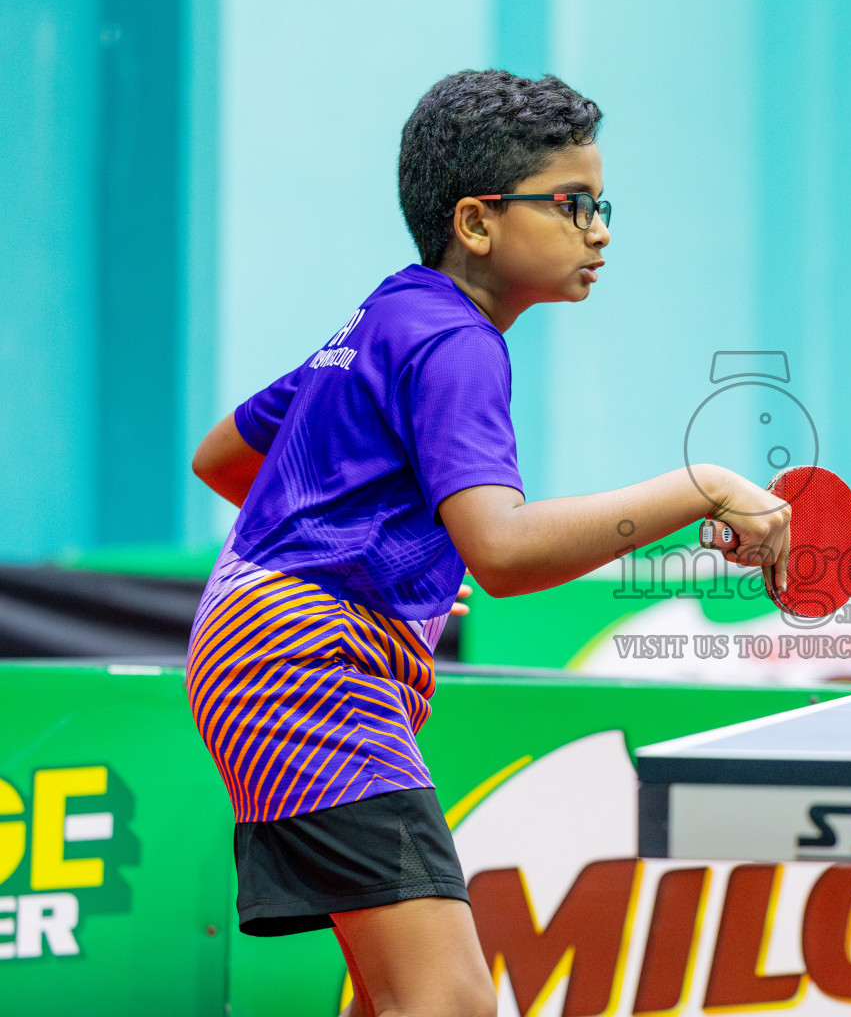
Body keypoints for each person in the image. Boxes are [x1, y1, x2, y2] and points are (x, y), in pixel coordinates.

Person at [185, 71, 790, 1017]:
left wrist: (386, 562)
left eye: (602, 204)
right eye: (573, 204)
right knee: (449, 1002)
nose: (600, 230)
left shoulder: (389, 312)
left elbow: (224, 457)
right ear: (477, 221)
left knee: (398, 995)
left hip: (260, 649)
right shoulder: (458, 342)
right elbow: (503, 556)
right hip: (301, 669)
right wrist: (701, 484)